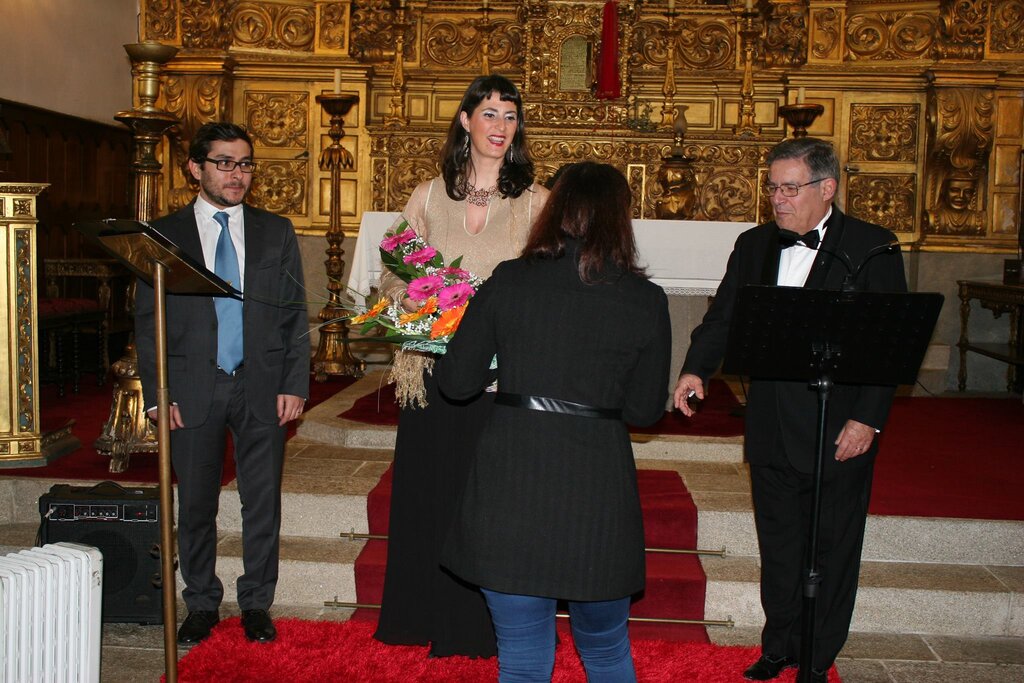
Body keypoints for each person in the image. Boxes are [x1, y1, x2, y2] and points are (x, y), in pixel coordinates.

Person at [672, 138, 907, 683]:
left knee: (832, 547)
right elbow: (723, 317)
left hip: (838, 425)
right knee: (778, 544)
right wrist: (695, 369)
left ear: (827, 188)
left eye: (790, 188)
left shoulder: (872, 247)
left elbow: (890, 344)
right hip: (772, 423)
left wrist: (867, 419)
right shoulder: (753, 244)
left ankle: (817, 657)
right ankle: (778, 645)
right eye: (773, 188)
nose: (778, 199)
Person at [435, 162, 672, 682]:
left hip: (512, 485)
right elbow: (643, 411)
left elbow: (456, 383)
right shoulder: (645, 299)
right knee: (606, 651)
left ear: (554, 211)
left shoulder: (511, 279)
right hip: (597, 494)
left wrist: (508, 366)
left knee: (521, 658)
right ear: (621, 217)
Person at [373, 74, 549, 658]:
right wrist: (419, 296)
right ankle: (418, 614)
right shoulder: (427, 196)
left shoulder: (536, 201)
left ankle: (477, 628)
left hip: (500, 379)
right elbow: (391, 272)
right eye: (490, 113)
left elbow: (547, 284)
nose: (501, 126)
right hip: (429, 371)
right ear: (466, 120)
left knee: (487, 501)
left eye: (511, 116)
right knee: (428, 493)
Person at [135, 122, 310, 645]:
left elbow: (293, 310)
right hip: (193, 385)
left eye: (246, 164)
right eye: (225, 163)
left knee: (263, 501)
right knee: (195, 504)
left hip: (262, 382)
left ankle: (256, 602)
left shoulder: (275, 231)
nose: (238, 175)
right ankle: (201, 602)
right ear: (195, 168)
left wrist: (295, 382)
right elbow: (147, 321)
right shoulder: (163, 234)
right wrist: (158, 394)